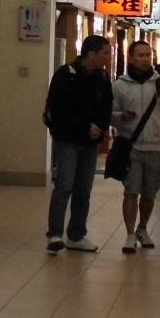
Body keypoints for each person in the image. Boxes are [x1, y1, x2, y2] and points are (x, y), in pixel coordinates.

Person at [43, 35, 113, 253]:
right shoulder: (65, 75)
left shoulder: (102, 77)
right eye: (105, 53)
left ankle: (76, 235)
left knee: (83, 189)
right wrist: (86, 127)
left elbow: (107, 106)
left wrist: (100, 127)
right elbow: (60, 109)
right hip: (68, 139)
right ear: (91, 54)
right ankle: (55, 234)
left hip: (91, 142)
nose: (108, 57)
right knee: (64, 184)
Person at [111, 40, 160, 253]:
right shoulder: (120, 85)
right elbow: (110, 114)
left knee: (149, 192)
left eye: (148, 55)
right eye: (141, 55)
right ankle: (130, 234)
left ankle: (142, 228)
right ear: (131, 57)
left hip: (156, 147)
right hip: (132, 146)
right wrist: (121, 116)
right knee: (131, 191)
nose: (145, 59)